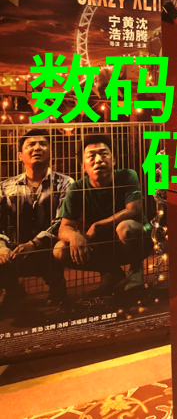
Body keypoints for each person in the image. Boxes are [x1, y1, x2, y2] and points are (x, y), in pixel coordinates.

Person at [54, 134, 149, 296]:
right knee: (60, 250)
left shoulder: (127, 175)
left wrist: (97, 226)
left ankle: (136, 269)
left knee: (125, 228)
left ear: (114, 160)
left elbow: (134, 210)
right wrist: (74, 236)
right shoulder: (77, 189)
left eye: (104, 154)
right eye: (91, 156)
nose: (98, 160)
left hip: (136, 239)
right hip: (102, 245)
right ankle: (111, 273)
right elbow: (64, 228)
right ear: (83, 165)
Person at [0, 129, 73, 309]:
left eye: (43, 144)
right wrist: (2, 246)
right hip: (13, 248)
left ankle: (57, 286)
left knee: (60, 245)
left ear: (50, 152)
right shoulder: (5, 187)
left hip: (48, 246)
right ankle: (12, 288)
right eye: (31, 144)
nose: (37, 148)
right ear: (20, 155)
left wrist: (35, 243)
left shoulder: (66, 183)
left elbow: (63, 221)